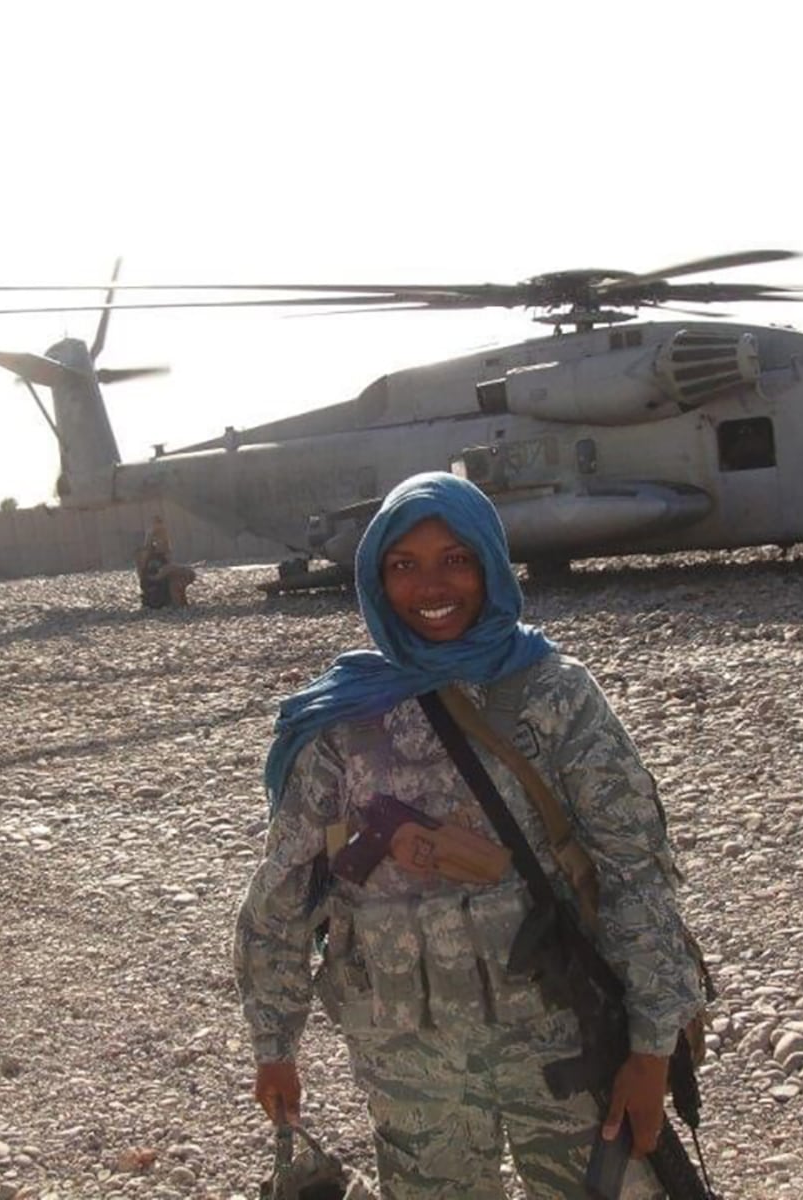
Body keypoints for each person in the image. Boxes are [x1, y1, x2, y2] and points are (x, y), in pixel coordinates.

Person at [233, 471, 705, 1199]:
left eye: (455, 559)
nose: (431, 585)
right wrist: (275, 1044)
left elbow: (633, 872)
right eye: (404, 565)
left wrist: (650, 1048)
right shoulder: (342, 717)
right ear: (374, 577)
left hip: (562, 1045)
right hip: (409, 1061)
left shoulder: (553, 693)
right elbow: (286, 891)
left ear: (489, 562)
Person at [135, 515, 196, 609]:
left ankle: (180, 604)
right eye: (159, 535)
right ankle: (176, 604)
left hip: (163, 588)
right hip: (153, 593)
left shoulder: (164, 554)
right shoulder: (145, 555)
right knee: (176, 571)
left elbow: (168, 562)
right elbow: (146, 578)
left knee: (184, 573)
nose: (163, 540)